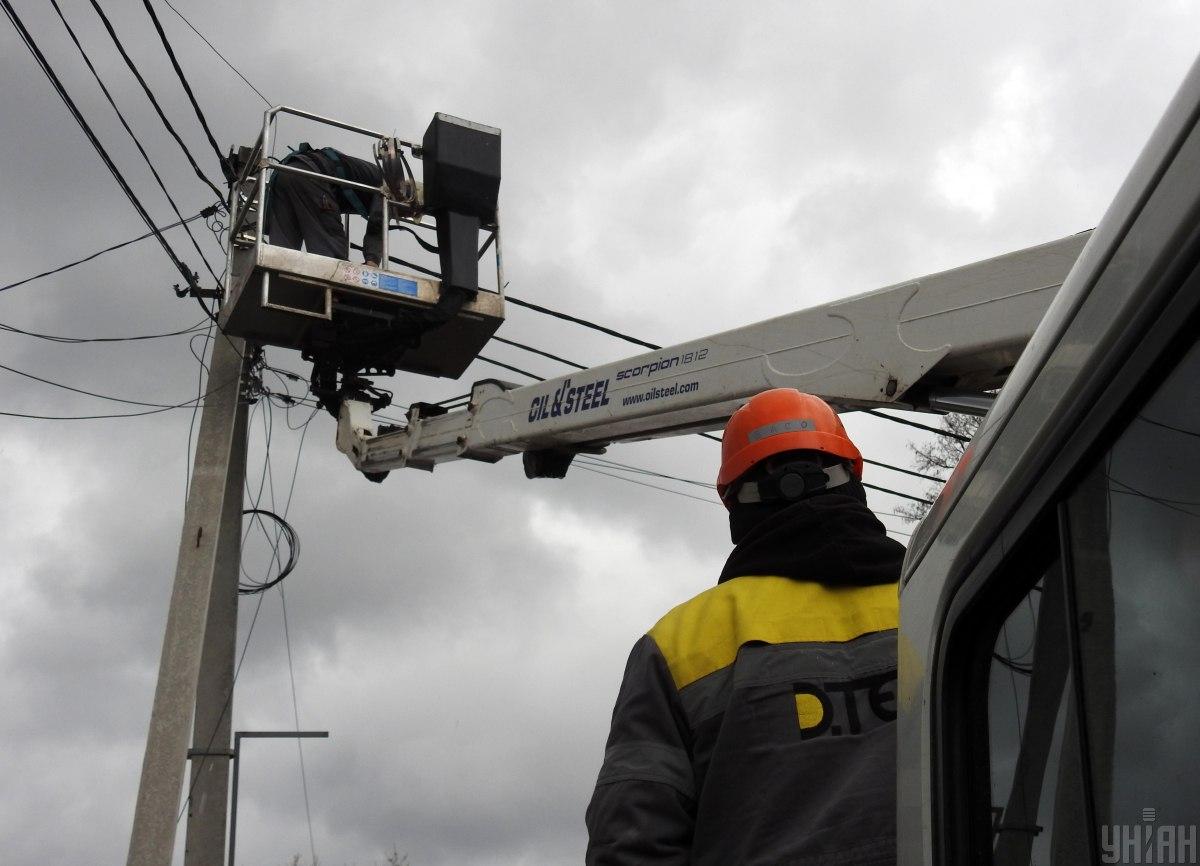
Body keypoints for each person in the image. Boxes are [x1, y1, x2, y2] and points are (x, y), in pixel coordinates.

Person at [585, 389, 905, 865]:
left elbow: (631, 844)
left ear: (735, 499)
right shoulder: (944, 589)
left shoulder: (679, 645)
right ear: (850, 476)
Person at [266, 143, 385, 265]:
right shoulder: (393, 189)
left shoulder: (373, 176)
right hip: (312, 176)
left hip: (286, 173)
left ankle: (274, 280)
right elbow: (377, 223)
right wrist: (373, 260)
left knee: (281, 256)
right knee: (331, 258)